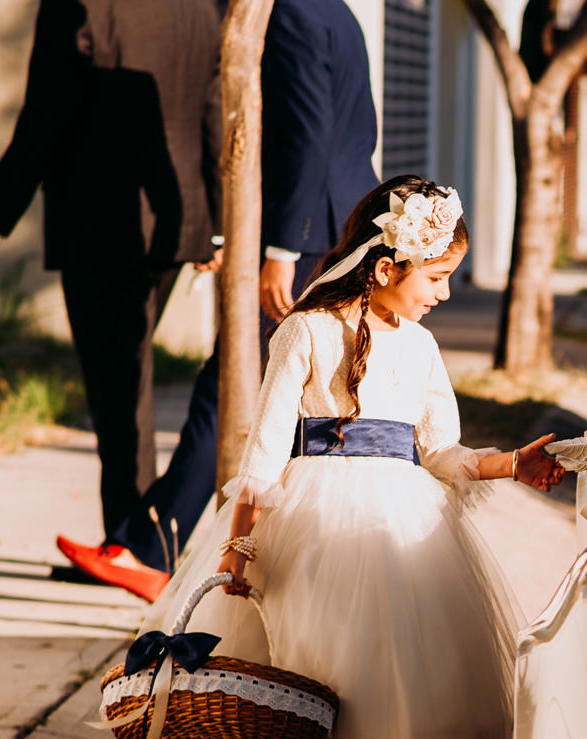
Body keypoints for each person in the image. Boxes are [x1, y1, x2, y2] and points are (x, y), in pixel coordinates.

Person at [193, 177, 560, 739]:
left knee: (379, 697)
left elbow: (443, 451)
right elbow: (261, 458)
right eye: (436, 276)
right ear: (386, 265)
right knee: (311, 690)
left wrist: (508, 464)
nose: (444, 294)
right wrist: (240, 543)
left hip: (397, 530)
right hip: (313, 530)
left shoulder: (420, 347)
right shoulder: (306, 333)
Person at [59, 0, 381, 601]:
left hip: (309, 232)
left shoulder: (289, 16)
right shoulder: (333, 11)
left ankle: (149, 550)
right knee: (270, 387)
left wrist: (283, 248)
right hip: (334, 221)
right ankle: (182, 546)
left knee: (234, 378)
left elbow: (308, 134)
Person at [0, 0, 222, 538]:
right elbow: (215, 107)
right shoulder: (205, 5)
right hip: (178, 217)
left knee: (117, 386)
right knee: (130, 374)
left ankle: (131, 543)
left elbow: (45, 112)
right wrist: (218, 223)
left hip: (98, 220)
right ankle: (135, 538)